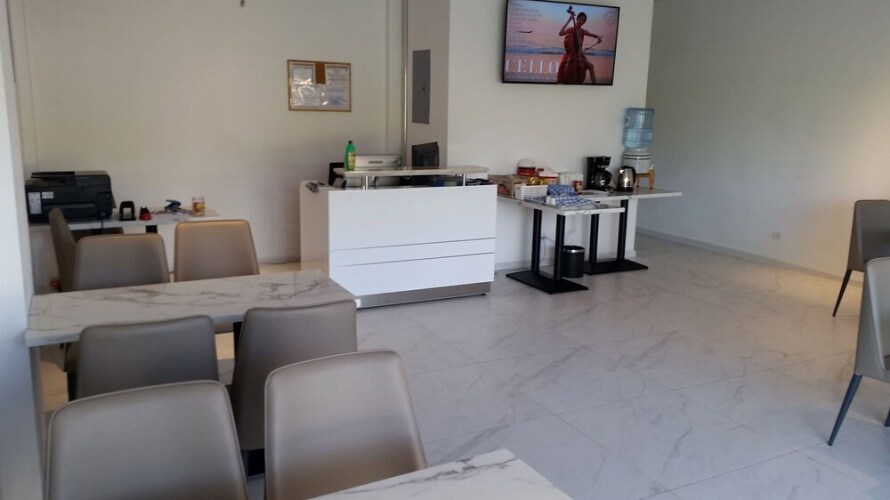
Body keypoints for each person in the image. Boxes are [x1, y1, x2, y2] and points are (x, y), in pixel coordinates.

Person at [557, 11, 602, 84]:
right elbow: (560, 33)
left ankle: (595, 85)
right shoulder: (571, 29)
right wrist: (569, 19)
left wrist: (598, 37)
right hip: (570, 55)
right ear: (577, 19)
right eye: (580, 19)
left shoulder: (583, 31)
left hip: (580, 55)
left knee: (591, 66)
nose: (581, 22)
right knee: (562, 65)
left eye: (583, 21)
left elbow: (593, 35)